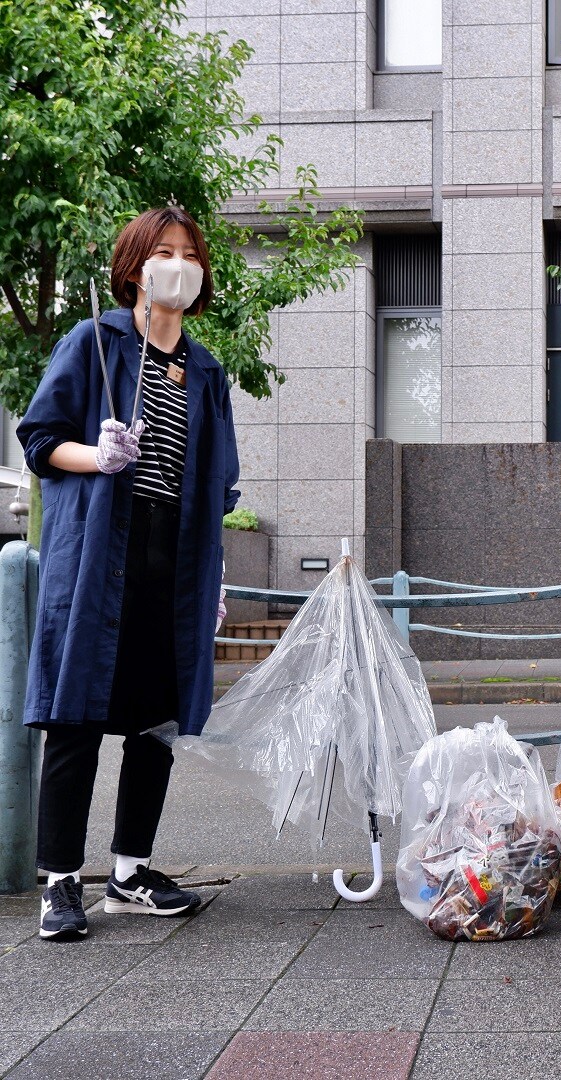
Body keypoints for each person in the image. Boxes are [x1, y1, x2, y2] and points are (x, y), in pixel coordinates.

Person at [18, 207, 240, 940]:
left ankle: (129, 873)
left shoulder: (206, 371)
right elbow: (41, 439)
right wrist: (99, 454)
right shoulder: (95, 342)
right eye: (163, 251)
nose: (178, 263)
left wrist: (217, 577)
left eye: (188, 252)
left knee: (157, 721)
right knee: (77, 716)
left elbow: (218, 485)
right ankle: (58, 883)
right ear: (134, 267)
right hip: (96, 559)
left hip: (171, 562)